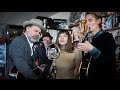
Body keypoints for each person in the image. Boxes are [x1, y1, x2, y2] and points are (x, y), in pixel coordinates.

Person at [77, 12, 116, 79]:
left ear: (98, 21)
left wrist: (92, 49)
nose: (87, 24)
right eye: (86, 21)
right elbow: (91, 61)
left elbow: (109, 61)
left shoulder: (107, 36)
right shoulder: (92, 39)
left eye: (90, 20)